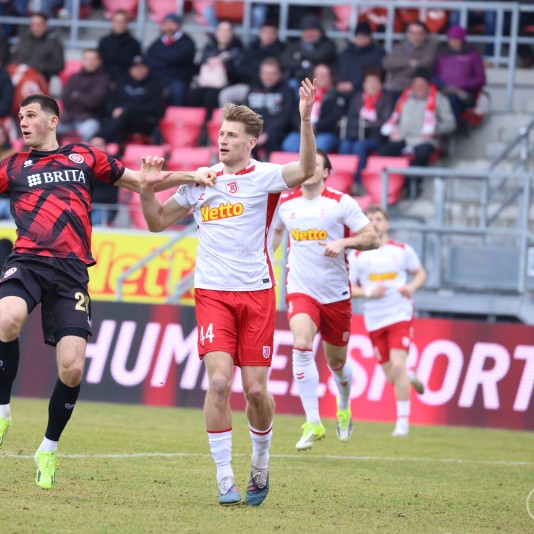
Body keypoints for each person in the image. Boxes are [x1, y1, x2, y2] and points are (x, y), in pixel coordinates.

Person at [0, 94, 215, 490]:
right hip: (27, 261)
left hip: (72, 272)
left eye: (30, 115)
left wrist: (192, 175)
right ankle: (1, 412)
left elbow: (143, 180)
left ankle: (47, 447)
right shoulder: (11, 166)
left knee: (73, 367)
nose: (23, 122)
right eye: (20, 117)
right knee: (8, 318)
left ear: (52, 120)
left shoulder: (84, 157)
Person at [136, 78, 319, 507]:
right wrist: (147, 189)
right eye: (220, 133)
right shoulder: (202, 180)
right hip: (212, 294)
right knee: (219, 383)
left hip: (256, 294)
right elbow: (157, 222)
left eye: (232, 135)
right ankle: (223, 477)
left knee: (255, 391)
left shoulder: (266, 177)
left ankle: (260, 461)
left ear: (251, 142)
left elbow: (306, 170)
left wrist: (306, 120)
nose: (222, 140)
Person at [271, 149, 379, 451]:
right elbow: (276, 234)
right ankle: (313, 422)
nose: (308, 168)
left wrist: (343, 242)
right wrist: (264, 255)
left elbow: (373, 238)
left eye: (315, 164)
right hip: (301, 289)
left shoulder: (340, 203)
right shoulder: (285, 203)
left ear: (326, 172)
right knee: (302, 344)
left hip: (336, 295)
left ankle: (343, 406)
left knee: (337, 362)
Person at [348, 206, 426, 436]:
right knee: (393, 376)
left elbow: (420, 273)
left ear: (387, 223)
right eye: (369, 219)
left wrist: (410, 287)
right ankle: (409, 376)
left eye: (378, 219)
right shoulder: (358, 255)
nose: (374, 223)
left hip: (399, 314)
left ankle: (402, 423)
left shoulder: (401, 250)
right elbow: (349, 288)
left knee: (398, 364)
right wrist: (370, 292)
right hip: (375, 319)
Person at [10, 12, 65, 83]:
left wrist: (36, 67)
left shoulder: (54, 43)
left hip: (40, 79)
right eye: (33, 24)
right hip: (19, 76)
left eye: (38, 25)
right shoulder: (24, 40)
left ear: (45, 25)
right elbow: (14, 58)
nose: (35, 27)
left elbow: (59, 65)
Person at [97, 10, 142, 84]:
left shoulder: (134, 43)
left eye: (122, 22)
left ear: (127, 24)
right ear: (112, 23)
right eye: (116, 21)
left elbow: (136, 65)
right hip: (104, 79)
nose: (119, 24)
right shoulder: (104, 42)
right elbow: (99, 62)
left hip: (126, 81)